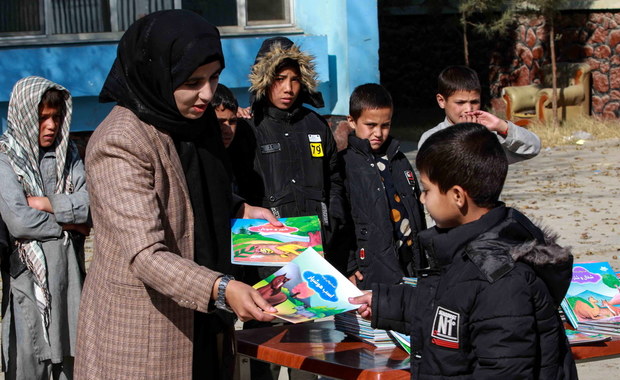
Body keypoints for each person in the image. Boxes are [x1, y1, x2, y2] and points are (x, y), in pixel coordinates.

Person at [74, 10, 279, 380]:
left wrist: (243, 209)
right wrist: (222, 288)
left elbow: (196, 194)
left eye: (214, 77)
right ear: (157, 75)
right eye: (192, 81)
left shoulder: (196, 124)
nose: (207, 94)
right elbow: (146, 255)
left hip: (207, 320)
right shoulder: (120, 142)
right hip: (148, 334)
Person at [351, 123, 577, 379]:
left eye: (427, 191)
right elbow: (449, 308)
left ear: (458, 196)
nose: (423, 199)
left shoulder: (500, 279)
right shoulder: (463, 251)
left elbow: (503, 370)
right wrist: (384, 303)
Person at [238, 36, 345, 380]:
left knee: (305, 351)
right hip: (264, 258)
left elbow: (335, 180)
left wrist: (332, 223)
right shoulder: (248, 129)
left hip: (311, 257)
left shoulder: (316, 126)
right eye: (279, 79)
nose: (288, 88)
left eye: (295, 79)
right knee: (266, 348)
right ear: (264, 80)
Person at [0, 76, 90, 379]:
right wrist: (70, 223)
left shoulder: (71, 157)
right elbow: (20, 221)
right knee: (31, 362)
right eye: (43, 118)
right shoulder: (5, 160)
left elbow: (91, 205)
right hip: (28, 279)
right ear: (26, 116)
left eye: (56, 117)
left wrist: (46, 203)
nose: (51, 125)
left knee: (72, 359)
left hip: (70, 278)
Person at [338, 83, 426, 289]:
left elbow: (416, 208)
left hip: (410, 264)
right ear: (352, 121)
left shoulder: (399, 159)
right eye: (370, 125)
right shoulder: (343, 165)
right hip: (371, 268)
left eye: (385, 125)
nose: (378, 132)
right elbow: (339, 221)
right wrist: (348, 264)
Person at [418, 65, 541, 164]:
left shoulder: (490, 136)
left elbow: (533, 148)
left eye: (474, 102)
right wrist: (461, 134)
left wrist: (502, 126)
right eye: (460, 102)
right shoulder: (431, 138)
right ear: (441, 101)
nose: (468, 109)